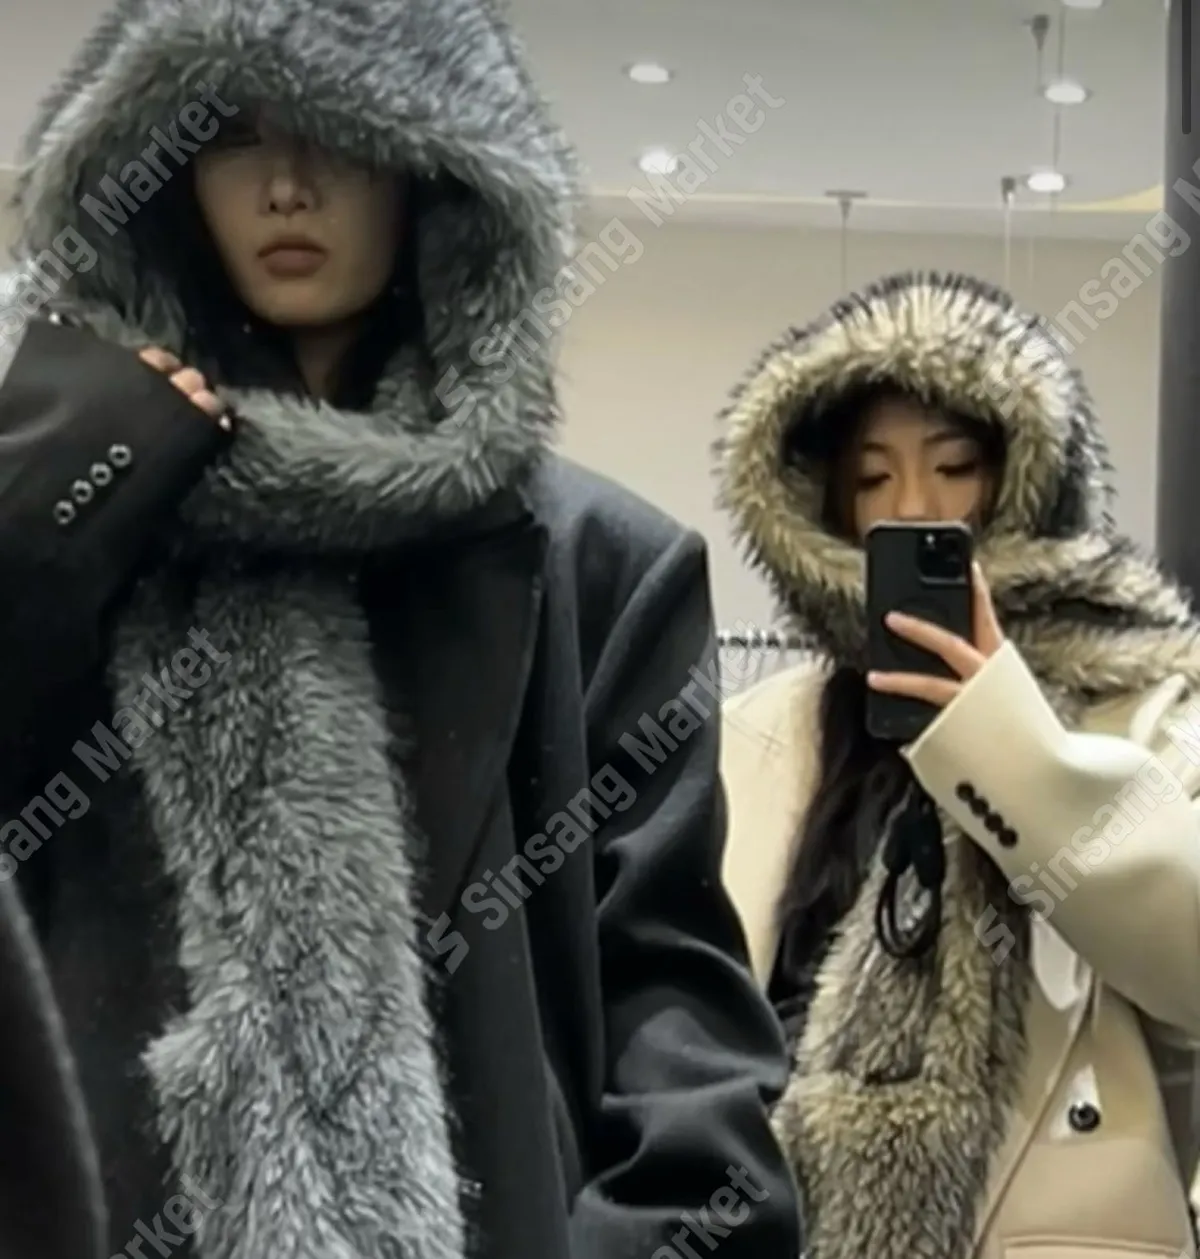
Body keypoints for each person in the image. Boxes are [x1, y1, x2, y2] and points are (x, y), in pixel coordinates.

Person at [0, 1, 801, 1257]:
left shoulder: (597, 564)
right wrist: (46, 512)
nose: (286, 183)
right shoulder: (84, 530)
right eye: (231, 134)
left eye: (340, 132)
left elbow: (675, 1020)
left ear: (434, 170)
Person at [716, 269, 1200, 1259]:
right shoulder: (760, 733)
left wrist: (1005, 742)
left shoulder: (1144, 701)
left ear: (1025, 480)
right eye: (871, 478)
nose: (912, 507)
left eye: (955, 466)